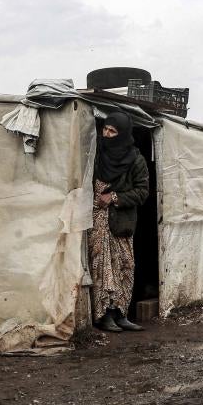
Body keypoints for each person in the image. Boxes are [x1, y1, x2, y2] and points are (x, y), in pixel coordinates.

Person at [89, 111, 149, 333]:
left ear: (122, 134)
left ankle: (120, 313)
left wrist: (114, 197)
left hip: (120, 220)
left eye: (112, 131)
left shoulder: (136, 160)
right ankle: (103, 315)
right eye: (105, 129)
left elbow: (142, 192)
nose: (106, 133)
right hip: (97, 219)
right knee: (102, 267)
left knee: (124, 266)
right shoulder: (95, 154)